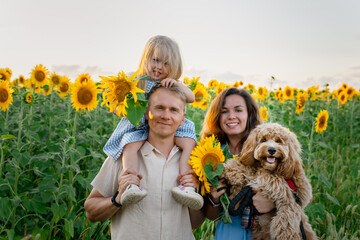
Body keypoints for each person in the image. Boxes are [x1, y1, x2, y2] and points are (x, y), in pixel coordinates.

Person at [84, 84, 205, 239]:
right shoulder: (123, 159)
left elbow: (194, 223)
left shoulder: (193, 163)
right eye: (159, 108)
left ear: (183, 118)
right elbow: (91, 212)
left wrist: (194, 191)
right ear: (147, 113)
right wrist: (118, 198)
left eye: (173, 110)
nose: (166, 116)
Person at [103, 35, 203, 209]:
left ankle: (187, 185)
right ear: (146, 58)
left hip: (168, 124)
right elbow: (113, 100)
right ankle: (131, 183)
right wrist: (123, 111)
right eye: (155, 60)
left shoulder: (174, 83)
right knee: (130, 146)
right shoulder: (135, 80)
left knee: (188, 143)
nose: (159, 67)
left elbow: (192, 97)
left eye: (166, 64)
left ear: (174, 67)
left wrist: (176, 85)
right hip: (139, 124)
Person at [200, 87, 275, 239]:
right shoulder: (211, 155)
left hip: (264, 232)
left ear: (249, 114)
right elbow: (211, 217)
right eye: (224, 111)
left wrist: (273, 203)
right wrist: (214, 199)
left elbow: (300, 193)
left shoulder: (266, 150)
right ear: (216, 116)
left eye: (238, 110)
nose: (231, 116)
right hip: (228, 233)